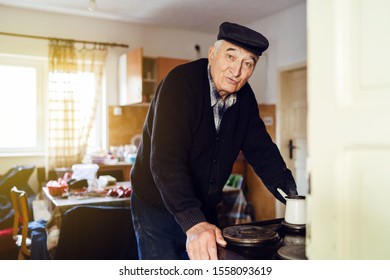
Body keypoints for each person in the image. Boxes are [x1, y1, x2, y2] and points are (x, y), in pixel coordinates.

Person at [130, 22, 298, 260]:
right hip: (156, 204)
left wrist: (292, 196)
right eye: (230, 56)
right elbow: (166, 160)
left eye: (247, 63)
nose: (236, 70)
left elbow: (262, 152)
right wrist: (194, 223)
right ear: (212, 54)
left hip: (203, 202)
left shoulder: (245, 98)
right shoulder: (180, 84)